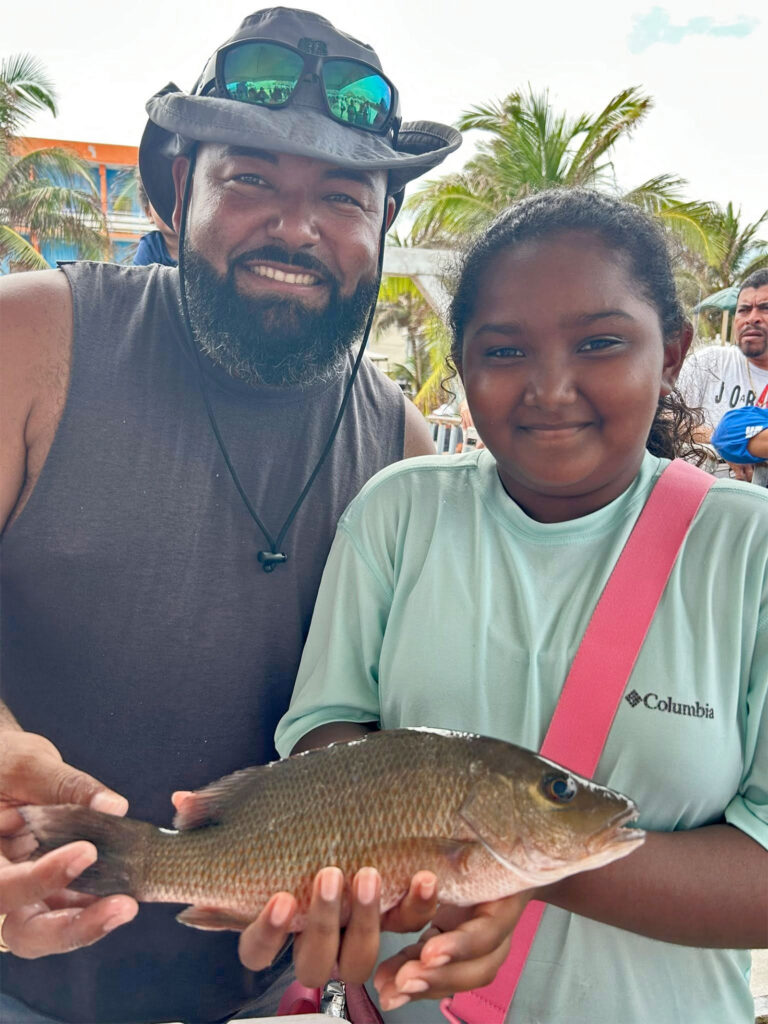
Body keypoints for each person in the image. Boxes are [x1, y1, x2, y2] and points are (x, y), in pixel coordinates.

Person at [0, 8, 461, 1023]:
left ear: (382, 226)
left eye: (344, 196)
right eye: (250, 180)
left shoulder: (404, 448)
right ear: (176, 193)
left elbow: (394, 744)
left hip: (261, 996)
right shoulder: (29, 342)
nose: (296, 229)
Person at [274, 189, 768, 1023]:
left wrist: (498, 870)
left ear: (675, 352)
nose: (550, 387)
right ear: (462, 364)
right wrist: (386, 865)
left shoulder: (747, 553)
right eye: (503, 351)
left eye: (601, 343)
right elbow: (328, 739)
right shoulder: (399, 513)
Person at [677, 268, 768, 442]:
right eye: (744, 310)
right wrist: (721, 439)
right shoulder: (709, 362)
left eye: (765, 308)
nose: (751, 318)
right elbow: (664, 418)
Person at [133, 175, 179, 266]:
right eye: (161, 201)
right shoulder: (150, 248)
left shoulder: (203, 244)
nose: (171, 208)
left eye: (176, 198)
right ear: (149, 213)